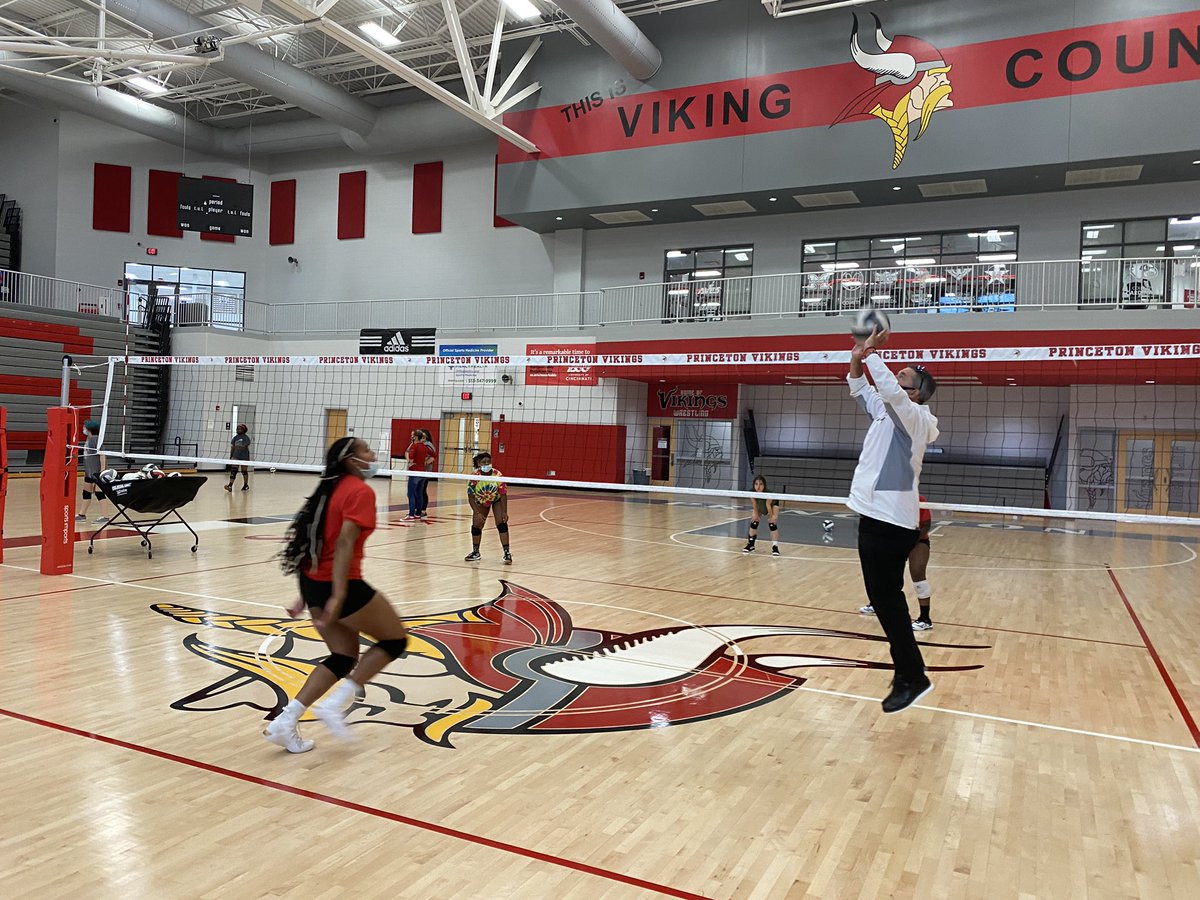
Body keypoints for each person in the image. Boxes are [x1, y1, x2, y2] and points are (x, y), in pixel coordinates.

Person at [270, 436, 410, 753]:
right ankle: (335, 704)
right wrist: (338, 594)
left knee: (344, 656)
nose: (373, 455)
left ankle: (286, 722)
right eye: (366, 451)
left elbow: (309, 539)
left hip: (312, 581)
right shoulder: (359, 491)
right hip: (339, 583)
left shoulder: (327, 488)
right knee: (395, 640)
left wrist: (306, 596)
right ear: (351, 459)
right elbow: (344, 543)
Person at [847, 326, 939, 714]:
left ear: (914, 392)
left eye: (905, 377)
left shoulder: (912, 416)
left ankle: (912, 675)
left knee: (887, 600)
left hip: (888, 520)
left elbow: (883, 385)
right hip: (875, 515)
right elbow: (859, 388)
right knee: (884, 600)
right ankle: (910, 674)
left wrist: (871, 352)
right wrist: (856, 358)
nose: (898, 375)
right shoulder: (888, 413)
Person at [860, 496, 935, 630]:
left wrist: (909, 542)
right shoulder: (888, 500)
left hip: (917, 540)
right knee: (881, 571)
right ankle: (876, 604)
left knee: (917, 573)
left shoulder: (918, 500)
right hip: (894, 539)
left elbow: (926, 525)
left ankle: (925, 619)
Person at [465, 450, 511, 565]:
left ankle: (507, 553)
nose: (487, 464)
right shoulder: (475, 477)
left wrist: (504, 511)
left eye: (488, 462)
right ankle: (476, 552)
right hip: (481, 501)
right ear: (479, 464)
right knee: (477, 524)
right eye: (484, 462)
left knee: (501, 523)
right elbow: (470, 497)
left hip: (496, 499)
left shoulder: (497, 475)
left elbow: (503, 494)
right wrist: (477, 512)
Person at [77, 419, 109, 525]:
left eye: (84, 427)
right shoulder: (89, 439)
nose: (83, 429)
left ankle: (105, 517)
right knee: (86, 492)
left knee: (99, 493)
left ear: (89, 429)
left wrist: (102, 470)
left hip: (97, 472)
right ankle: (82, 515)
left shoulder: (95, 439)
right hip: (89, 471)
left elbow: (102, 454)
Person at [743, 475, 782, 556]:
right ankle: (751, 544)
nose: (758, 486)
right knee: (754, 521)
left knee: (772, 523)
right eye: (756, 484)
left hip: (772, 505)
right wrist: (756, 516)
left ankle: (775, 547)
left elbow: (768, 505)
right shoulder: (752, 492)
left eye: (761, 484)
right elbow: (754, 505)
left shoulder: (769, 494)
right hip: (760, 504)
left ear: (764, 486)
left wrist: (770, 517)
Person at [404, 429, 430, 521]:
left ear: (415, 437)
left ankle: (411, 515)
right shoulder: (424, 446)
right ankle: (418, 514)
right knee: (419, 494)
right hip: (422, 472)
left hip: (414, 472)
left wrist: (410, 462)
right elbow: (432, 455)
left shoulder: (414, 446)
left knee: (411, 494)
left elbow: (411, 458)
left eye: (412, 435)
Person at [225, 423, 251, 492]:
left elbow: (244, 446)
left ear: (243, 430)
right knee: (233, 471)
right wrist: (231, 457)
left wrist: (237, 447)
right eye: (237, 429)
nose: (238, 430)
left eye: (239, 429)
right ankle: (230, 486)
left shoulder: (246, 438)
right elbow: (232, 448)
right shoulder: (235, 438)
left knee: (244, 471)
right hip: (236, 456)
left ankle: (246, 485)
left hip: (244, 457)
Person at [419, 429, 437, 518]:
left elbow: (433, 457)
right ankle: (416, 510)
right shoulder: (416, 444)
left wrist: (424, 463)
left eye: (423, 435)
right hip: (416, 471)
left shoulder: (429, 445)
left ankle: (423, 510)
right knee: (416, 491)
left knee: (422, 491)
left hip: (425, 472)